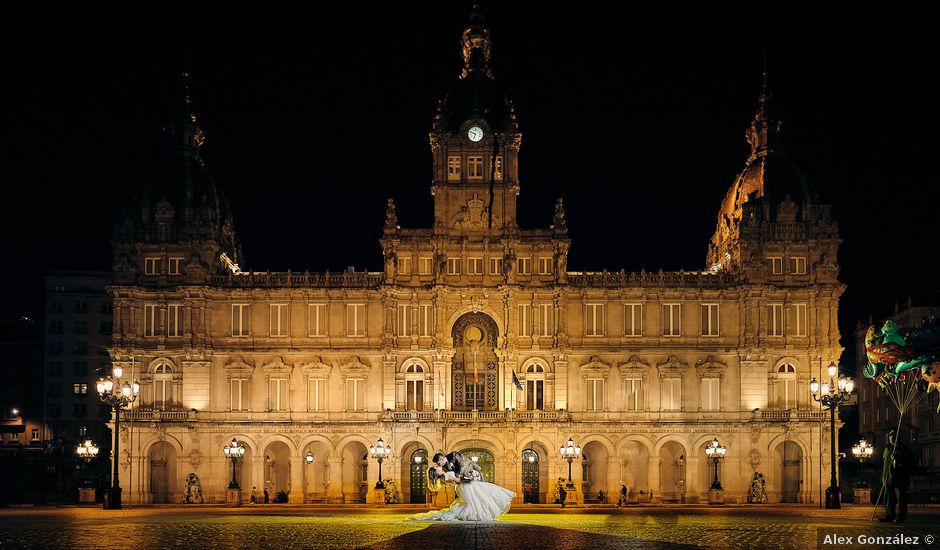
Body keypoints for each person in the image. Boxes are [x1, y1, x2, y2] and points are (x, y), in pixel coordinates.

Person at [408, 464, 515, 522]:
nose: (438, 466)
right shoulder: (445, 475)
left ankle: (478, 513)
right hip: (466, 485)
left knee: (477, 499)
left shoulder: (443, 476)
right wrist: (469, 479)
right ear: (436, 472)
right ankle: (477, 514)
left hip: (463, 487)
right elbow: (457, 480)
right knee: (480, 498)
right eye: (436, 467)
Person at [881, 429, 912, 523]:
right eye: (890, 437)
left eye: (894, 437)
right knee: (888, 498)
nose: (891, 438)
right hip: (887, 477)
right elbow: (884, 463)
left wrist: (898, 461)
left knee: (901, 498)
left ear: (899, 438)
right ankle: (889, 515)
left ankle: (900, 517)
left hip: (900, 478)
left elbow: (909, 463)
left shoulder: (904, 449)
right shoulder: (887, 448)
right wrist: (884, 476)